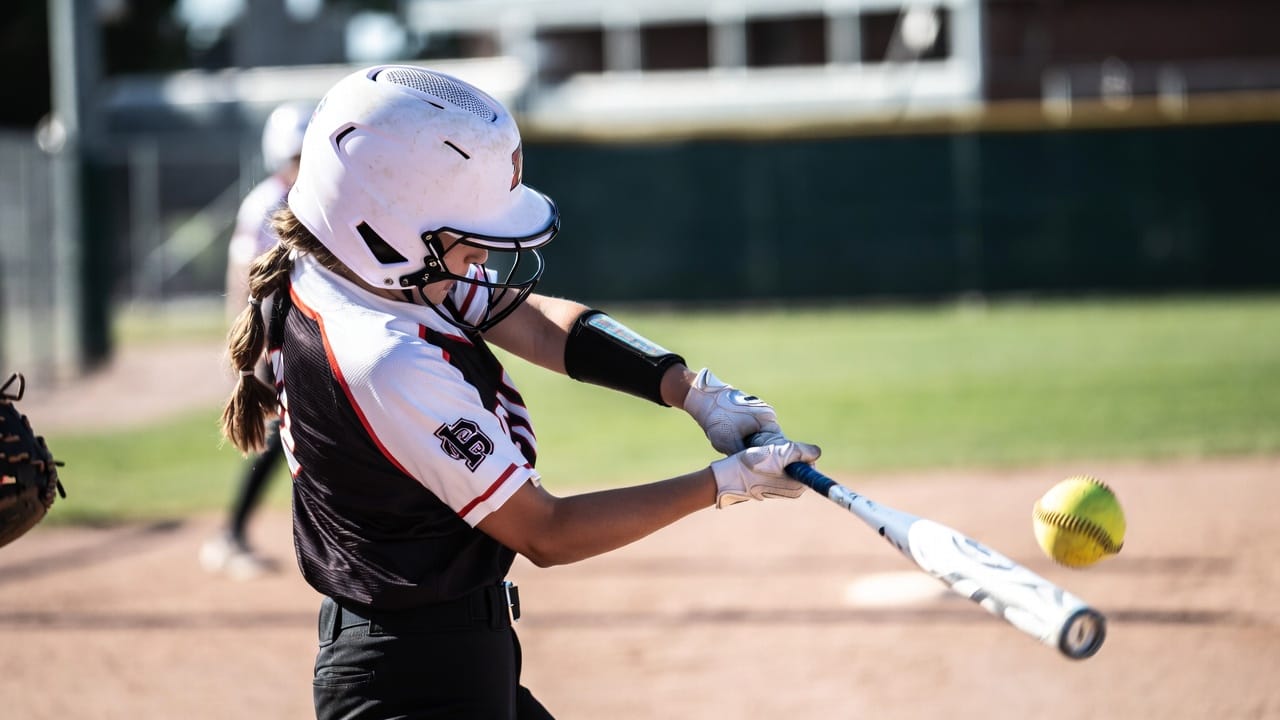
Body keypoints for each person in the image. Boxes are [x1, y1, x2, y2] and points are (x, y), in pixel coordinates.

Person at [220, 64, 820, 719]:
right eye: (464, 234)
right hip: (409, 686)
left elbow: (529, 320)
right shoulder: (382, 358)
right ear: (383, 221)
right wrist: (726, 482)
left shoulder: (356, 267)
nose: (480, 254)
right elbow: (547, 532)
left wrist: (693, 392)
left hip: (443, 657)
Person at [201, 100, 313, 580]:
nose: (303, 163)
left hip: (299, 332)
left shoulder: (314, 198)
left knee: (294, 439)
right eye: (297, 154)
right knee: (280, 438)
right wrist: (245, 345)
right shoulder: (268, 200)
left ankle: (234, 535)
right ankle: (231, 535)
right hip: (272, 331)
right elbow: (245, 274)